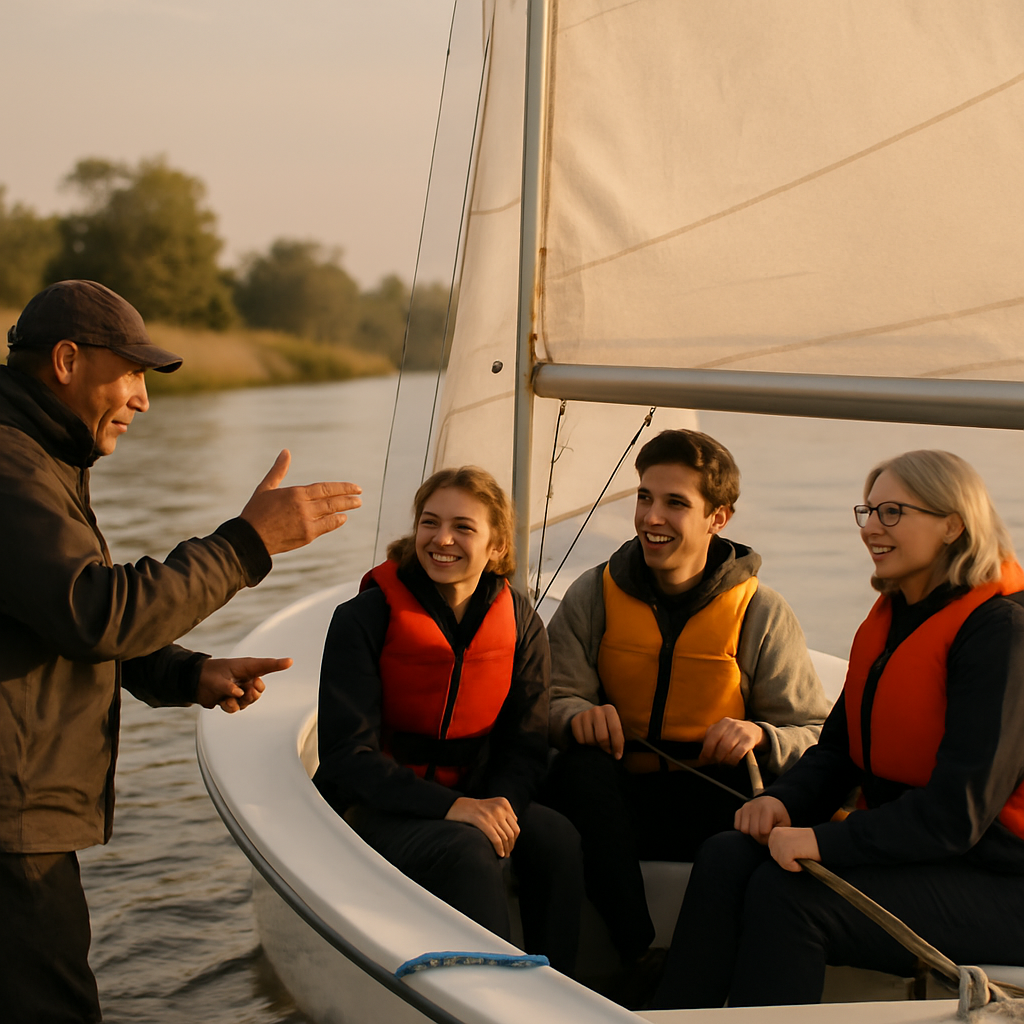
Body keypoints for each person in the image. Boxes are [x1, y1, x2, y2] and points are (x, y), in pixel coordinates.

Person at [0, 280, 363, 1024]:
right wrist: (247, 543)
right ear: (67, 361)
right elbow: (94, 611)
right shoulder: (11, 466)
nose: (142, 398)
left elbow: (53, 618)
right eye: (130, 372)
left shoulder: (38, 454)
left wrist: (186, 671)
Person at [652, 449, 1024, 1009]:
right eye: (868, 511)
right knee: (728, 856)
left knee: (791, 898)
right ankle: (670, 1018)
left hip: (999, 877)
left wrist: (825, 840)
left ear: (952, 524)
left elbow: (958, 813)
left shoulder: (1000, 633)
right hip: (921, 852)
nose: (871, 528)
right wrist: (783, 803)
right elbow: (838, 752)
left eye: (893, 512)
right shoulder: (894, 617)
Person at [543, 428, 829, 984]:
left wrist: (762, 736)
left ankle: (695, 984)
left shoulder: (762, 612)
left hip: (714, 801)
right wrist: (577, 714)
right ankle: (635, 952)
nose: (652, 516)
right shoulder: (592, 594)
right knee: (578, 772)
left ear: (718, 518)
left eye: (676, 503)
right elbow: (549, 700)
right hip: (617, 804)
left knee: (754, 829)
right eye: (645, 497)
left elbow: (814, 732)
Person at [314, 466, 583, 976]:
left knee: (558, 838)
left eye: (463, 527)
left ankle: (563, 989)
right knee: (468, 848)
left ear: (496, 547)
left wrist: (499, 803)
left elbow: (523, 745)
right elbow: (348, 758)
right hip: (374, 811)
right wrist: (454, 808)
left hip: (474, 794)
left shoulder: (521, 622)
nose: (442, 539)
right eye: (430, 522)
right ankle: (499, 1000)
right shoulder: (364, 618)